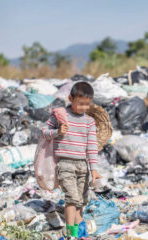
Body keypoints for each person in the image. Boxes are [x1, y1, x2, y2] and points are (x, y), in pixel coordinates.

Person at [41, 81, 102, 239]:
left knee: (81, 200)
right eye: (80, 104)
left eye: (87, 104)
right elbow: (43, 132)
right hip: (65, 163)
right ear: (70, 98)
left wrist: (94, 169)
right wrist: (57, 132)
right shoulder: (60, 116)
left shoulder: (89, 121)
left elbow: (92, 146)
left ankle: (80, 229)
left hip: (83, 165)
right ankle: (71, 234)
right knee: (72, 199)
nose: (83, 108)